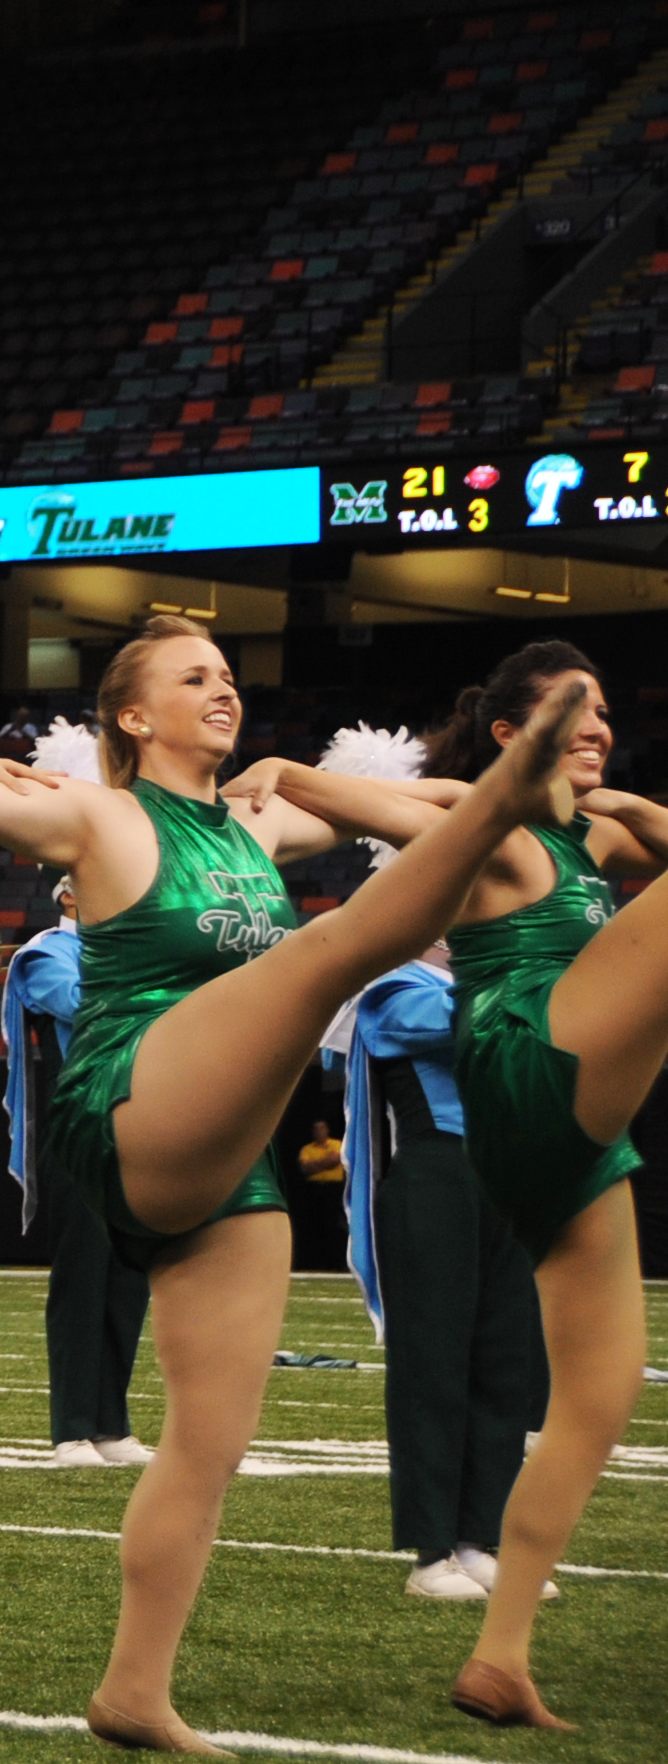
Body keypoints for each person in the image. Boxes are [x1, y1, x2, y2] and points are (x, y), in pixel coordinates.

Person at [0, 613, 580, 1751]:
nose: (224, 691)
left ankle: (135, 1689)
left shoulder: (261, 825)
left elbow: (428, 810)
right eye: (192, 677)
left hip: (229, 1151)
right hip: (132, 1100)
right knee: (329, 951)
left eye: (229, 674)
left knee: (211, 1442)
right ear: (130, 714)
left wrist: (509, 786)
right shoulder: (95, 813)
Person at [223, 644, 663, 1728]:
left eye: (607, 709)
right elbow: (340, 795)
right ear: (510, 732)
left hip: (569, 1127)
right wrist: (306, 772)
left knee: (600, 1388)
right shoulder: (497, 832)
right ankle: (436, 1541)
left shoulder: (588, 835)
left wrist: (603, 789)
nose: (599, 722)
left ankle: (501, 1649)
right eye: (574, 709)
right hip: (523, 1061)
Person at [333, 945, 550, 1603]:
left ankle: (479, 1539)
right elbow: (471, 1022)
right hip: (437, 1178)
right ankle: (431, 1551)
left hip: (507, 1174)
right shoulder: (391, 990)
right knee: (435, 1364)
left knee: (504, 1364)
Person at [3, 876, 153, 1468]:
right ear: (69, 895)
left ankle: (112, 1422)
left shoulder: (125, 952)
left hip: (134, 1127)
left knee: (127, 1280)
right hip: (79, 1128)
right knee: (82, 1279)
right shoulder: (46, 952)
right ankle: (71, 1427)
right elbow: (80, 1005)